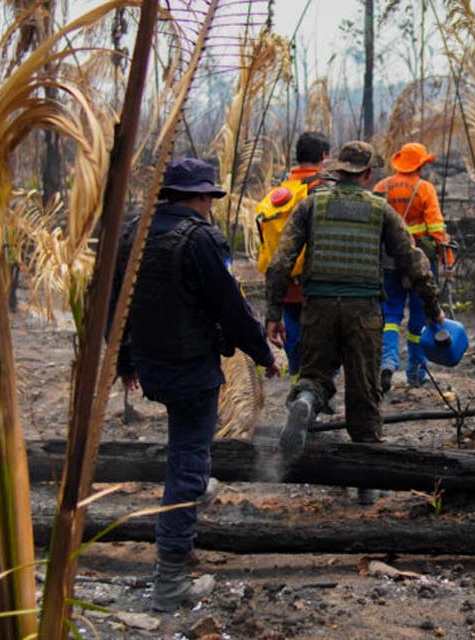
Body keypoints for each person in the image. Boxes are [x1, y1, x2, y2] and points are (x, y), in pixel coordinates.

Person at [110, 158, 280, 612]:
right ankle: (170, 582)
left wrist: (124, 359)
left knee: (188, 444)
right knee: (187, 457)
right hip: (191, 366)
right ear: (203, 197)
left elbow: (116, 299)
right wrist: (264, 354)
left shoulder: (135, 233)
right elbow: (231, 307)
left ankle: (194, 482)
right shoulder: (202, 238)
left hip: (152, 362)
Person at [264, 141, 443, 503]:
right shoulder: (381, 211)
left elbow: (281, 262)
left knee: (314, 375)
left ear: (338, 171)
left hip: (319, 307)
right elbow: (413, 262)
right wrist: (434, 309)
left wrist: (273, 313)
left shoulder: (311, 206)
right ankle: (366, 481)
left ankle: (305, 402)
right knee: (364, 391)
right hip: (363, 310)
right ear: (366, 174)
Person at [373, 142, 454, 390]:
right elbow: (437, 230)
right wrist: (447, 260)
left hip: (388, 260)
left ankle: (388, 360)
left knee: (391, 314)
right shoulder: (424, 189)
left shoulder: (381, 187)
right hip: (419, 260)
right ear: (419, 164)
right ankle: (415, 372)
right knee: (419, 318)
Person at [255, 131, 331, 377]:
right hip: (316, 279)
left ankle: (297, 379)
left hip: (283, 279)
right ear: (323, 155)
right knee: (321, 337)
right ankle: (313, 386)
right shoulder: (323, 190)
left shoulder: (280, 191)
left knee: (293, 331)